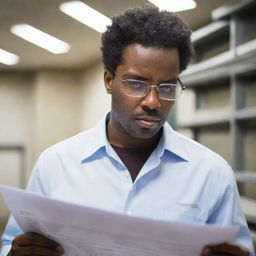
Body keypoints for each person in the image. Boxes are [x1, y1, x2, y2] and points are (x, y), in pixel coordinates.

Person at [0, 5, 254, 256]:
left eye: (166, 86)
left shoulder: (212, 173)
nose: (153, 102)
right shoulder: (56, 164)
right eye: (136, 83)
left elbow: (240, 250)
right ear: (109, 81)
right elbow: (13, 243)